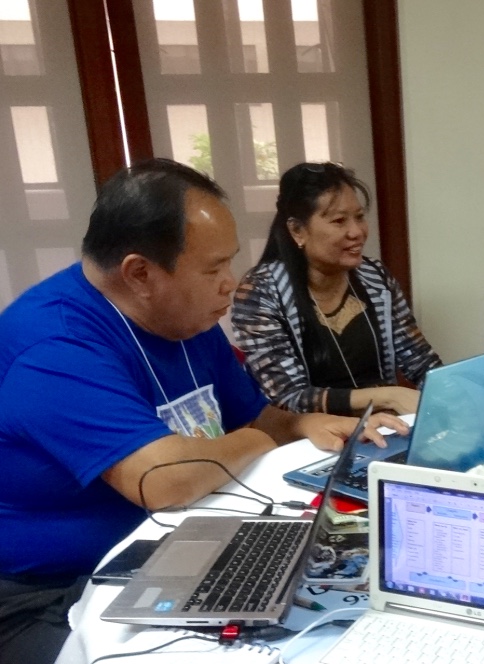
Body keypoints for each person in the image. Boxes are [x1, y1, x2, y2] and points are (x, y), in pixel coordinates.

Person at [0, 159, 403, 664]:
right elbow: (166, 480)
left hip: (170, 547)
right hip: (43, 593)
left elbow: (255, 416)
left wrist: (305, 424)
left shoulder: (181, 316)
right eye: (213, 269)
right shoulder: (56, 347)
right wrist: (273, 439)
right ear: (140, 273)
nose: (230, 284)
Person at [232, 162, 441, 416]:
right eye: (339, 221)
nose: (357, 232)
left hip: (383, 429)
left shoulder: (374, 278)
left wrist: (455, 392)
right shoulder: (260, 291)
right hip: (311, 441)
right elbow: (288, 397)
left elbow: (420, 361)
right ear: (297, 230)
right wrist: (388, 396)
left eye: (360, 217)